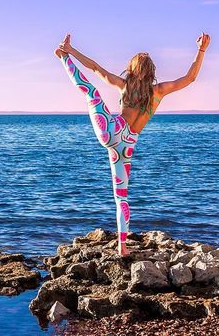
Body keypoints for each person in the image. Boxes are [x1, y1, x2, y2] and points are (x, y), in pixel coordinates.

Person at [54, 32, 211, 256]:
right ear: (151, 71)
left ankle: (62, 59)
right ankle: (123, 247)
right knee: (121, 197)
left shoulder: (126, 85)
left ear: (133, 68)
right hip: (126, 146)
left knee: (92, 93)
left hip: (111, 131)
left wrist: (70, 52)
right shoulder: (158, 92)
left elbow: (96, 69)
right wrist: (201, 50)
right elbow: (189, 78)